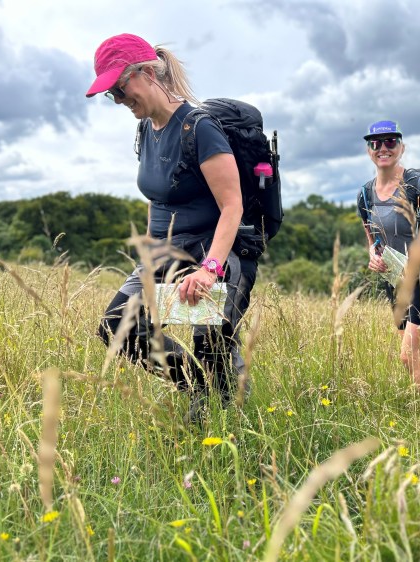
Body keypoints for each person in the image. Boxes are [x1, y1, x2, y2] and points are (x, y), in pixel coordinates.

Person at [86, 33, 248, 421]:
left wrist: (210, 271)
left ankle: (221, 404)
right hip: (163, 253)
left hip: (212, 252)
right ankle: (200, 387)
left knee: (207, 339)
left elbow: (232, 206)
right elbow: (158, 199)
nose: (120, 102)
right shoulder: (145, 130)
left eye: (120, 90)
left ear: (144, 73)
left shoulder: (198, 128)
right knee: (116, 327)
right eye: (112, 96)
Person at [357, 120, 420, 391]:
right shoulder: (364, 194)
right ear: (368, 150)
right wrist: (373, 257)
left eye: (390, 142)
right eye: (376, 143)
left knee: (409, 356)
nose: (383, 148)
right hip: (395, 284)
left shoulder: (416, 185)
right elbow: (373, 243)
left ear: (401, 147)